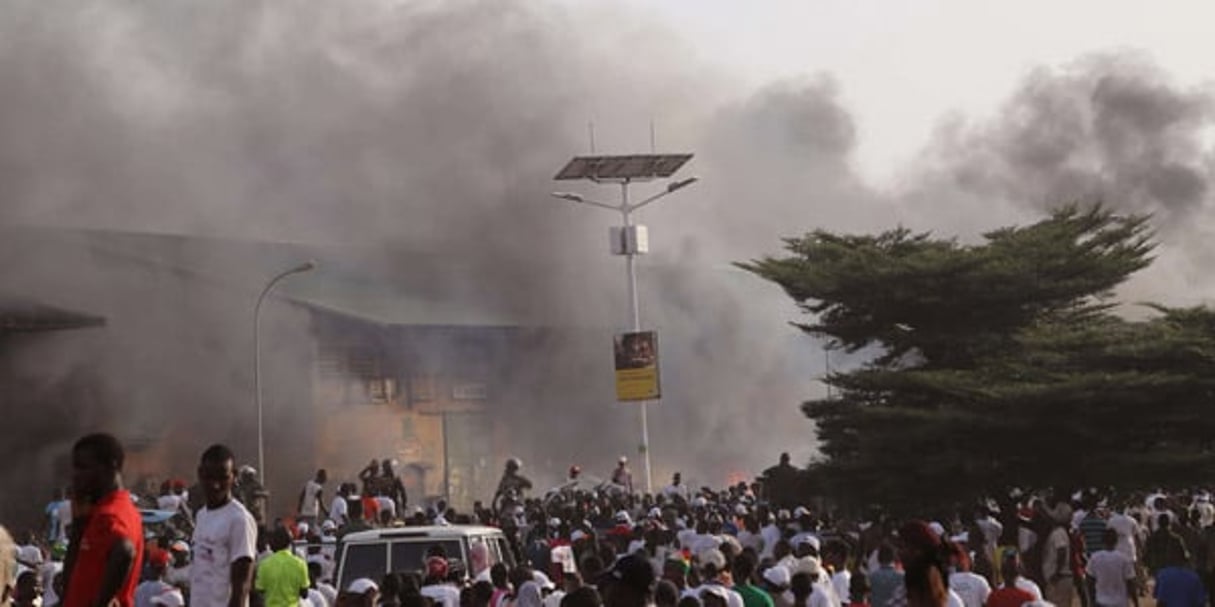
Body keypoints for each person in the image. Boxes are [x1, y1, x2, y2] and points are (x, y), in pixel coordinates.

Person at [62, 433, 144, 607]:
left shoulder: (110, 514)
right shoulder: (121, 509)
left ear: (111, 466)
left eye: (83, 467)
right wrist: (79, 526)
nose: (76, 475)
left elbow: (125, 550)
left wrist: (103, 601)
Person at [190, 444, 257, 607]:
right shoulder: (201, 516)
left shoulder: (239, 519)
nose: (215, 485)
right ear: (200, 474)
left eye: (223, 478)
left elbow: (242, 586)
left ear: (234, 476)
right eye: (209, 477)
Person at [254, 527, 309, 607]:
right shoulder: (300, 564)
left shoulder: (264, 565)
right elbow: (305, 594)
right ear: (289, 542)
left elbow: (260, 591)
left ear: (273, 543)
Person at [1086, 529, 1137, 607]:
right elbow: (1130, 582)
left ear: (1102, 540)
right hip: (1120, 602)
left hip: (1101, 601)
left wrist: (1092, 600)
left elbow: (1090, 581)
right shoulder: (1124, 559)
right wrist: (1135, 602)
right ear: (1116, 541)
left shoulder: (1095, 558)